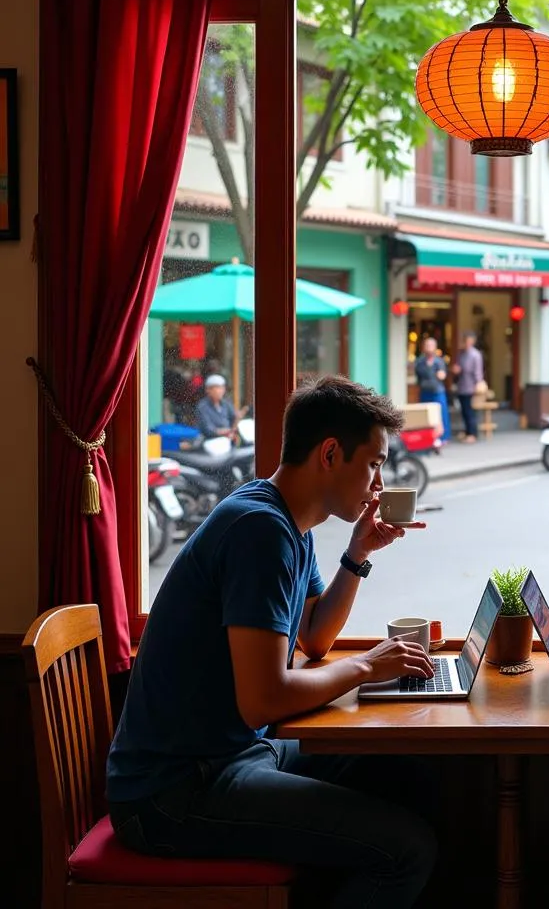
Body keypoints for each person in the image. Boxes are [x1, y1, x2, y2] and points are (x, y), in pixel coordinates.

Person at [106, 376, 438, 908]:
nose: (379, 482)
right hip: (173, 793)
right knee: (408, 850)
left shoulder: (287, 522)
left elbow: (316, 637)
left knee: (409, 778)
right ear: (331, 453)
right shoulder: (259, 531)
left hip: (232, 755)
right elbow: (262, 700)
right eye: (374, 463)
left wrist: (357, 554)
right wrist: (367, 667)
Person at [413, 336, 451, 443]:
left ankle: (443, 438)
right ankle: (427, 438)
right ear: (424, 347)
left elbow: (443, 374)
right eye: (427, 345)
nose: (429, 348)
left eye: (431, 345)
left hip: (437, 391)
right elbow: (417, 377)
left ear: (435, 347)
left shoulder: (439, 361)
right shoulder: (419, 361)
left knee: (441, 415)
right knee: (426, 416)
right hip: (425, 391)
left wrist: (442, 375)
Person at [452, 330, 485, 443]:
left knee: (470, 412)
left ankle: (473, 433)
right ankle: (467, 432)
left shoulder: (475, 354)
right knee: (464, 412)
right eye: (465, 340)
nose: (467, 343)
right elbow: (458, 367)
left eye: (469, 341)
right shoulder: (461, 354)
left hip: (471, 387)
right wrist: (457, 370)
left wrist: (478, 383)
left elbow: (478, 372)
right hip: (462, 385)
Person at [195, 373, 243, 440]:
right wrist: (228, 431)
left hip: (227, 441)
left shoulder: (226, 404)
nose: (221, 391)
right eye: (217, 388)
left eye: (222, 388)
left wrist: (238, 419)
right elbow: (209, 430)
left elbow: (234, 419)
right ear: (208, 390)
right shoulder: (202, 406)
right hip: (210, 442)